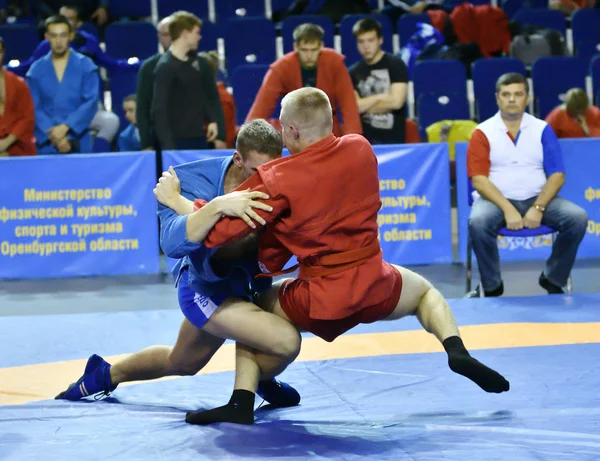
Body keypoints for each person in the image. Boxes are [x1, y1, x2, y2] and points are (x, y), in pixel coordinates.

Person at [158, 87, 511, 426]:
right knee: (424, 293)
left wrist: (182, 204)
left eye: (283, 128)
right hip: (375, 281)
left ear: (292, 130)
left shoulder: (279, 176)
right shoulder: (361, 147)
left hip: (321, 297)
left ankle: (242, 400)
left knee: (252, 306)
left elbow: (219, 234)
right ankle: (454, 348)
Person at [55, 120, 301, 413]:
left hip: (243, 287)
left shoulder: (279, 181)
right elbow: (173, 244)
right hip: (203, 289)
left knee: (183, 362)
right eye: (255, 171)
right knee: (277, 338)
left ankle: (105, 374)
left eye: (269, 171)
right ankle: (257, 380)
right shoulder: (188, 179)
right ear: (237, 158)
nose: (263, 180)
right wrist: (217, 205)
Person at [466, 73, 588, 298]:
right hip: (496, 200)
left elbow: (557, 175)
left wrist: (539, 207)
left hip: (537, 198)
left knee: (577, 218)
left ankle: (553, 277)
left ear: (527, 98)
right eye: (506, 94)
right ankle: (491, 286)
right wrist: (508, 208)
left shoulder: (543, 129)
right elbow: (479, 180)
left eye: (518, 94)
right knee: (478, 221)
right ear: (497, 98)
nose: (512, 99)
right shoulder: (482, 131)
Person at [246, 23, 361, 137]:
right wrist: (250, 138)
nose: (309, 55)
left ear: (321, 46)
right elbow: (260, 109)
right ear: (296, 47)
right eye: (304, 50)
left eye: (314, 50)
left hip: (328, 131)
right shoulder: (281, 68)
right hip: (294, 132)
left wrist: (353, 140)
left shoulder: (335, 63)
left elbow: (348, 105)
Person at [152, 11, 225, 151]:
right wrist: (169, 147)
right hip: (176, 141)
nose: (199, 37)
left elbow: (205, 96)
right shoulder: (165, 67)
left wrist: (213, 121)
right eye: (196, 32)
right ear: (185, 33)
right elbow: (159, 110)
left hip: (199, 137)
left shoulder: (197, 64)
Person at [26, 15, 99, 154]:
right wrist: (56, 136)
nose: (58, 41)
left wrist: (66, 127)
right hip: (48, 140)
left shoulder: (86, 66)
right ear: (46, 37)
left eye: (63, 35)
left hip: (78, 138)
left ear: (71, 36)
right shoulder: (35, 70)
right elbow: (33, 107)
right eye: (54, 36)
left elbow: (90, 102)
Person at [349, 18, 409, 145]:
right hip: (365, 142)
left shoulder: (396, 64)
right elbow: (354, 108)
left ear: (380, 40)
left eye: (370, 40)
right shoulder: (352, 72)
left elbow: (397, 102)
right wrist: (381, 97)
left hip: (394, 141)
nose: (366, 46)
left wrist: (365, 104)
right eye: (361, 41)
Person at [136, 15, 172, 151]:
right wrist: (146, 143)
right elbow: (142, 107)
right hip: (158, 138)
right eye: (165, 34)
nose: (170, 38)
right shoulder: (149, 67)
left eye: (173, 33)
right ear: (159, 37)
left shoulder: (195, 64)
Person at [0, 37, 36, 156]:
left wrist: (6, 143)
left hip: (15, 148)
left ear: (3, 53)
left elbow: (27, 117)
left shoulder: (18, 84)